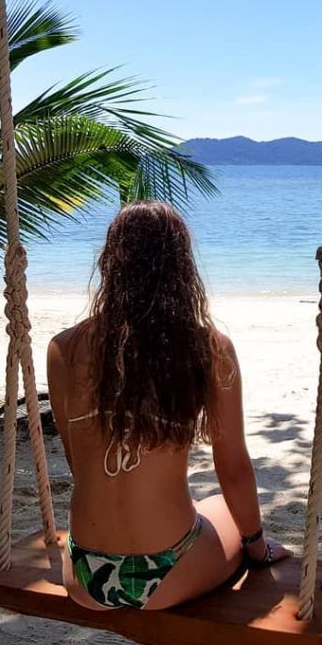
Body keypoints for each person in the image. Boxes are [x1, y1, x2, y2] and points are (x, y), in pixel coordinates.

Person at [47, 200, 290, 611]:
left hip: (85, 574)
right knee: (222, 510)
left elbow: (79, 461)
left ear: (109, 262)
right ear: (182, 268)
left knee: (199, 507)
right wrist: (255, 546)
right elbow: (232, 470)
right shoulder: (209, 349)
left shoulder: (64, 349)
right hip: (169, 572)